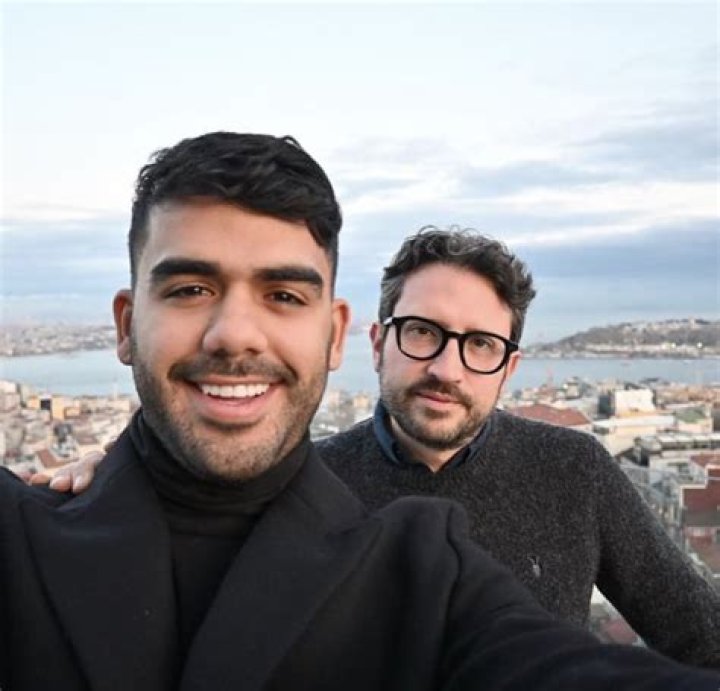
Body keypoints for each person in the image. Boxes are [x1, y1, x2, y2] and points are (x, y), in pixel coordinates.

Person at [9, 131, 718, 691]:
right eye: (422, 333)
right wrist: (122, 476)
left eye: (480, 345)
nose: (446, 368)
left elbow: (691, 637)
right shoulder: (310, 485)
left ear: (509, 367)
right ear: (372, 341)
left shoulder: (561, 477)